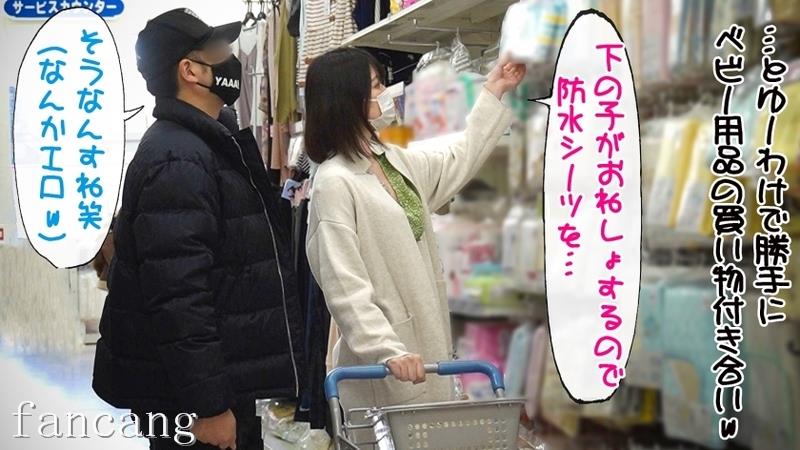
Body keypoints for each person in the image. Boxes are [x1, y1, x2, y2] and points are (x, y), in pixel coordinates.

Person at [92, 9, 305, 450]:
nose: (231, 59)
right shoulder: (178, 159)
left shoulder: (208, 143)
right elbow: (178, 297)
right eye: (219, 51)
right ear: (190, 70)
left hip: (216, 381)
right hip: (192, 401)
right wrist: (207, 407)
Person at [304, 47, 525, 418]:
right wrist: (386, 349)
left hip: (424, 349)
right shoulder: (334, 183)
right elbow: (344, 285)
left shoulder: (392, 159)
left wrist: (495, 88)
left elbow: (457, 158)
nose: (386, 92)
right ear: (348, 99)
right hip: (386, 366)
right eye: (376, 85)